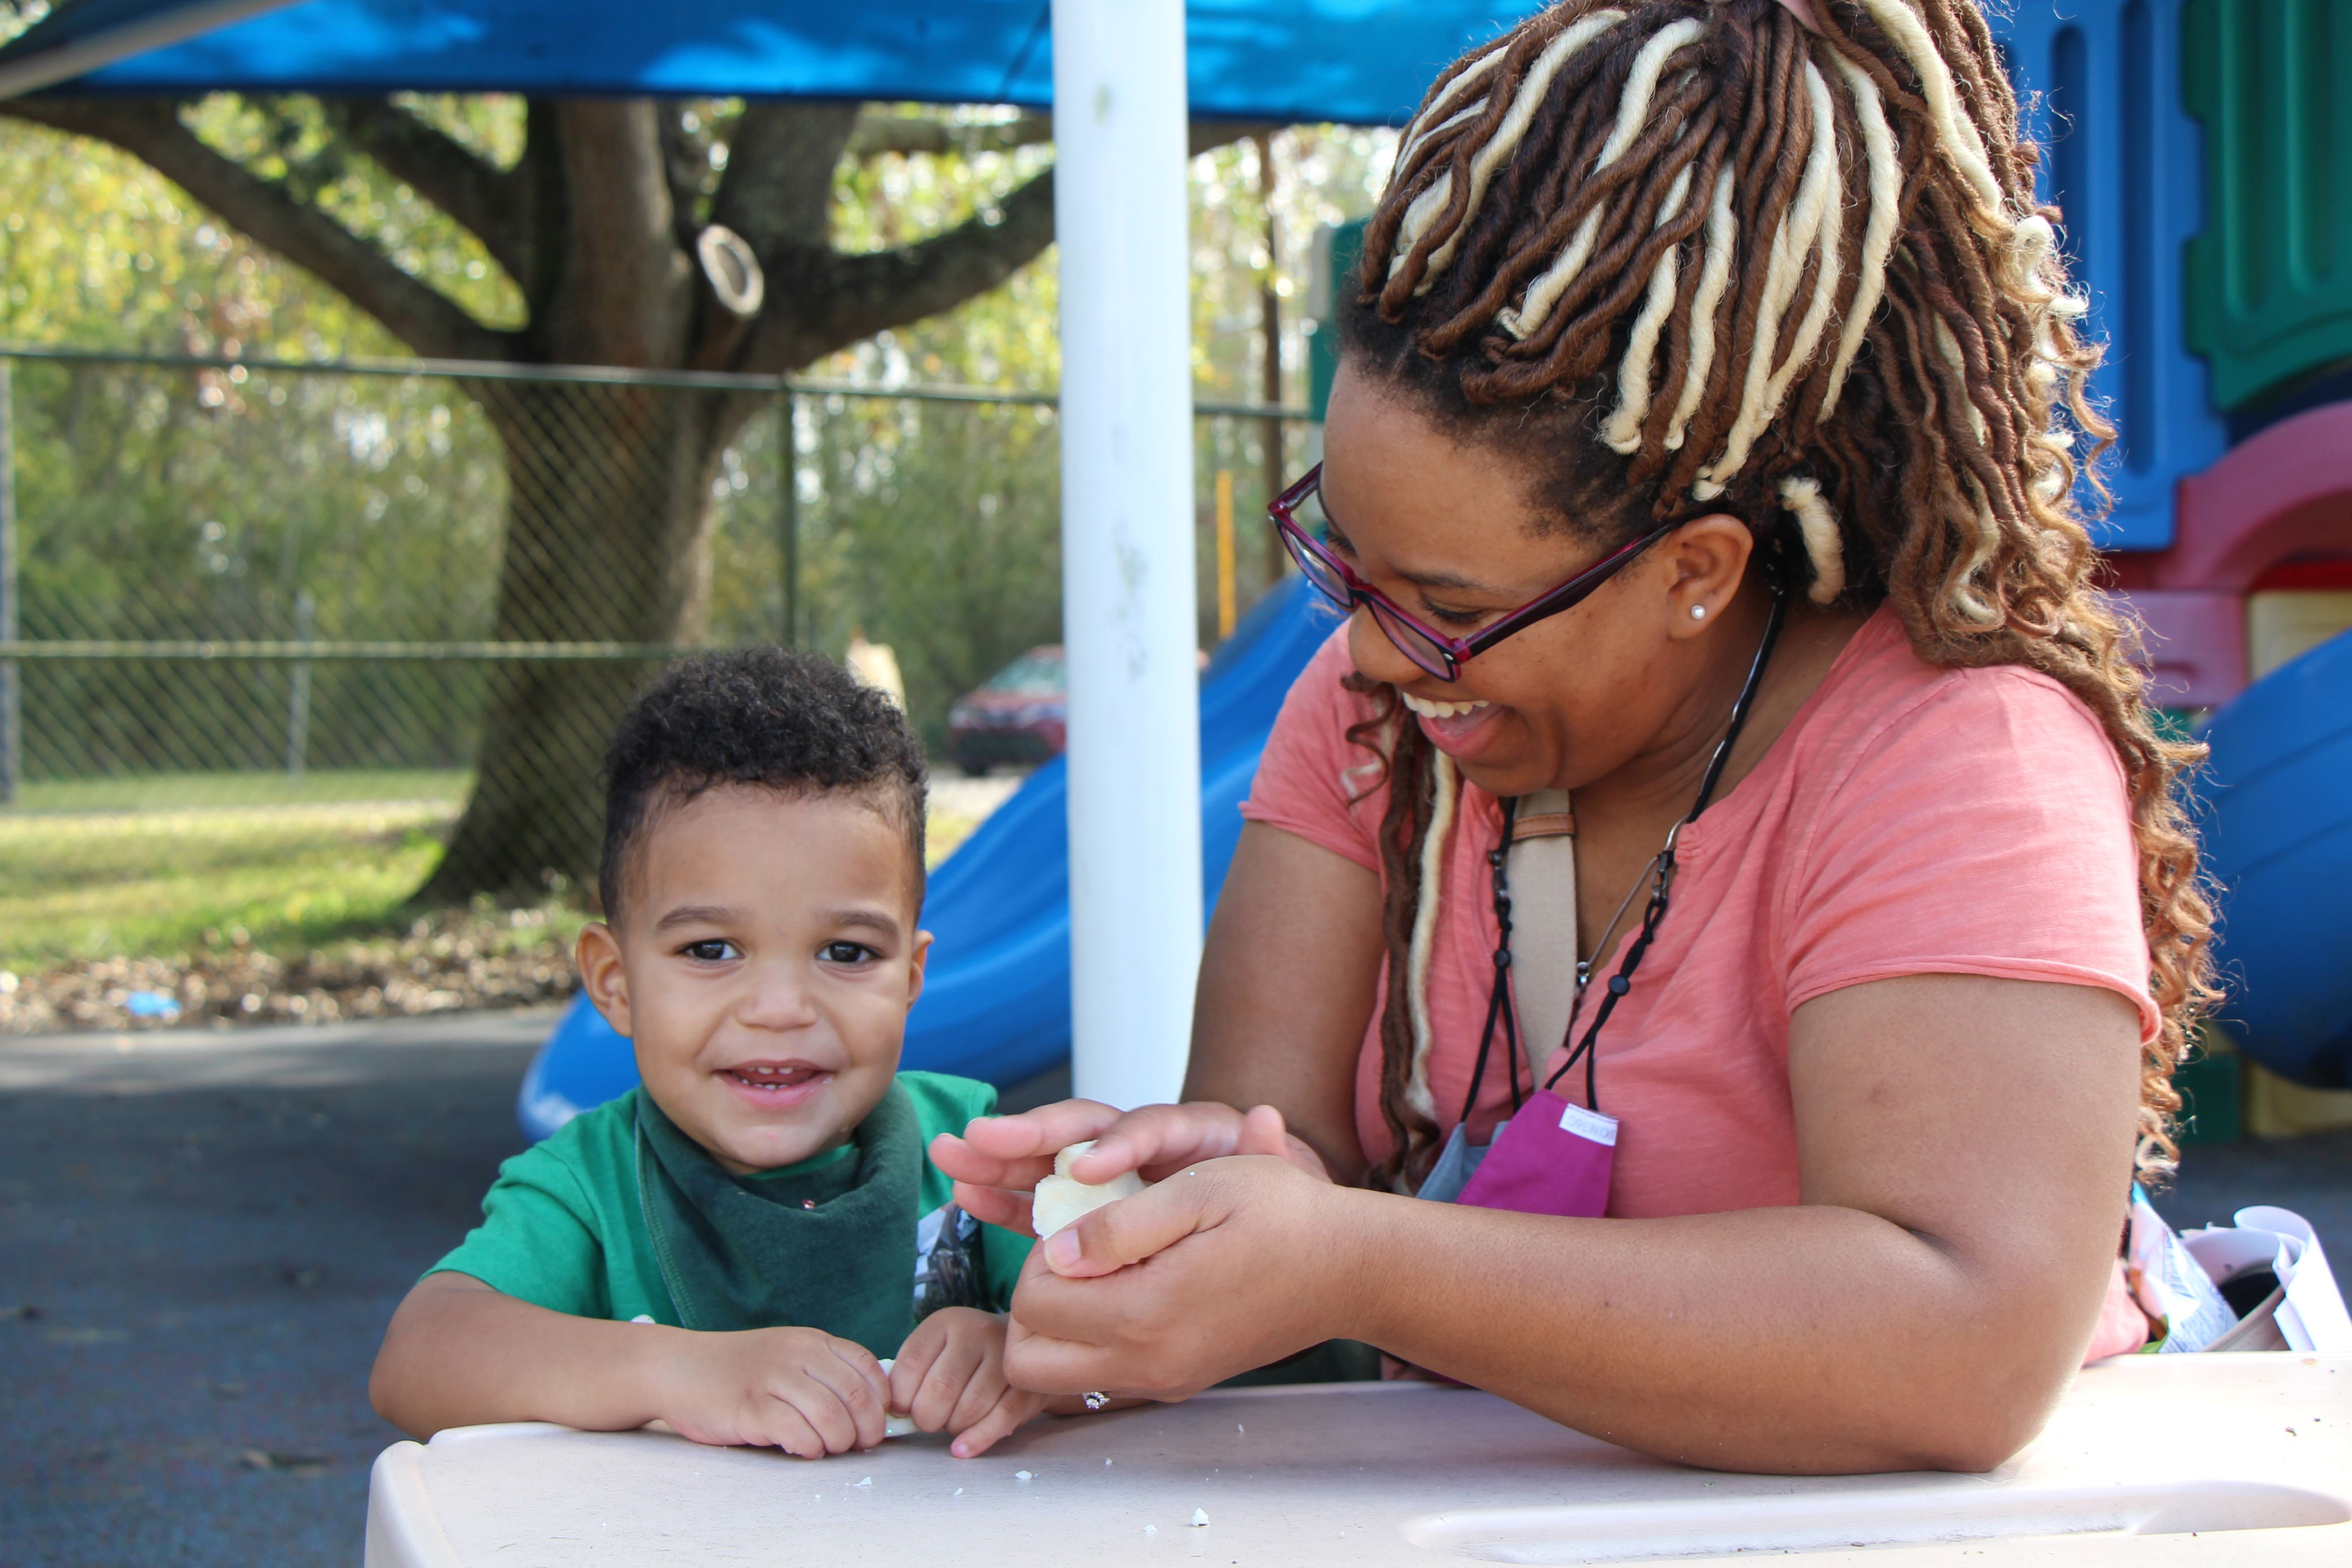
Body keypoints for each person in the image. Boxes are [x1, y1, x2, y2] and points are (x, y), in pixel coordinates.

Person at [937, 0, 2212, 1475]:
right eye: (1344, 564)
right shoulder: (1370, 725)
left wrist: (1357, 1262)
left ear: (1696, 574)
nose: (1368, 650)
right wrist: (1165, 1220)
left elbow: (1967, 1347)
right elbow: (1291, 1163)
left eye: (1445, 604)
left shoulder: (1957, 760)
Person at [370, 649, 1045, 1459]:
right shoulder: (591, 1185)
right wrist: (682, 1373)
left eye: (846, 953)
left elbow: (1151, 1338)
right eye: (713, 950)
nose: (780, 1010)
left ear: (910, 975)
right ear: (615, 984)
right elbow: (418, 1359)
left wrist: (1025, 1353)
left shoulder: (972, 1152)